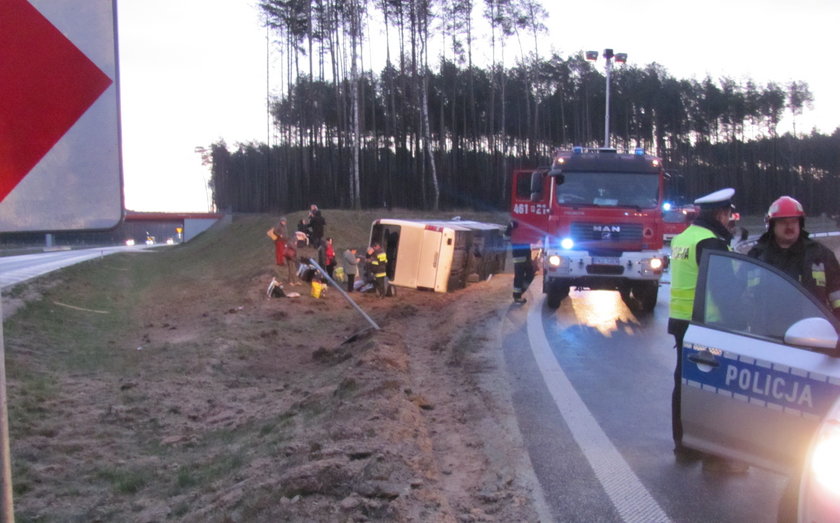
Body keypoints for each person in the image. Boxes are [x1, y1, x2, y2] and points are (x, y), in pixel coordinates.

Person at [668, 188, 746, 472]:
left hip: (682, 322)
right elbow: (724, 290)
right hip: (708, 325)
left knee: (685, 385)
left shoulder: (684, 237)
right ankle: (717, 453)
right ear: (720, 213)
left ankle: (685, 446)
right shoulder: (710, 242)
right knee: (714, 389)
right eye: (728, 215)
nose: (730, 220)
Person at [747, 196, 840, 319]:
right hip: (767, 334)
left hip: (812, 332)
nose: (789, 226)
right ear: (772, 225)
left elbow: (837, 294)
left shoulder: (820, 255)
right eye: (783, 222)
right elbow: (743, 299)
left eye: (794, 221)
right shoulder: (756, 256)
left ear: (800, 223)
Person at [505, 219, 535, 304]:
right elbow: (505, 237)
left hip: (524, 255)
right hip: (519, 256)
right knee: (521, 276)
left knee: (529, 275)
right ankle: (517, 296)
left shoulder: (522, 224)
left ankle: (518, 293)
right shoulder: (513, 224)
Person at [266, 217, 298, 287]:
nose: (284, 222)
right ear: (281, 221)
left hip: (283, 240)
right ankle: (279, 262)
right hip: (279, 240)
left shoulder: (284, 226)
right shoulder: (278, 226)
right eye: (283, 221)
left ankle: (281, 262)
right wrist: (279, 235)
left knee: (282, 251)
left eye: (285, 221)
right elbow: (274, 231)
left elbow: (285, 233)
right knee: (279, 251)